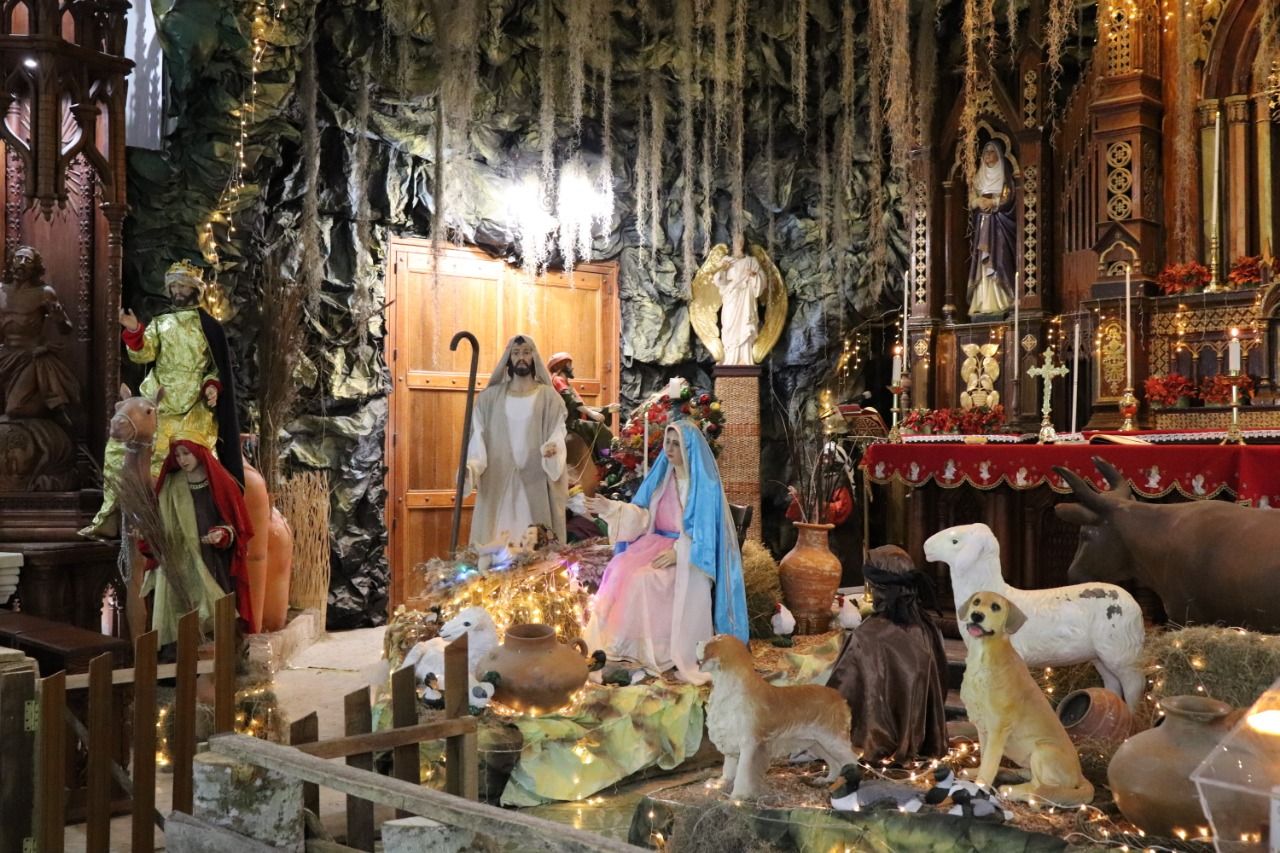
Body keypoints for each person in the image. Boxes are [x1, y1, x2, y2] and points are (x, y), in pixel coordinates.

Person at [83, 260, 244, 538]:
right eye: (174, 286)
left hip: (193, 409)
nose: (178, 291)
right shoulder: (161, 323)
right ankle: (113, 515)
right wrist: (135, 331)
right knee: (120, 447)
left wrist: (211, 386)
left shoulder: (209, 327)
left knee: (195, 456)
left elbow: (215, 368)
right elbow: (143, 354)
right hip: (157, 406)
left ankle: (202, 522)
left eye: (183, 286)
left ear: (196, 290)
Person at [583, 421, 749, 683]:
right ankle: (622, 650)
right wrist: (611, 508)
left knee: (645, 579)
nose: (669, 449)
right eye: (667, 443)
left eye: (676, 444)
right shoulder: (663, 478)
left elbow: (705, 532)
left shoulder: (703, 486)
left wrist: (679, 552)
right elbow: (643, 517)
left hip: (690, 556)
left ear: (689, 448)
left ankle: (655, 651)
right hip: (654, 545)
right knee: (619, 568)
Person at [825, 545, 948, 764]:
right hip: (923, 743)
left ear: (877, 586)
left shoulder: (867, 637)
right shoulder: (927, 628)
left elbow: (839, 695)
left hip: (871, 743)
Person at [142, 439, 254, 646]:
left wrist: (221, 533)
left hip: (210, 558)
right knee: (178, 606)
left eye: (186, 453)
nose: (182, 460)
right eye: (177, 455)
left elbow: (232, 521)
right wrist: (149, 533)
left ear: (199, 452)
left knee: (218, 607)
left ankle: (225, 654)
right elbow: (159, 518)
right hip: (179, 557)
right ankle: (177, 654)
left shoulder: (219, 482)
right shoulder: (171, 484)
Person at [465, 334, 569, 547]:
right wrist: (471, 468)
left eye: (526, 352)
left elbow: (557, 433)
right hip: (498, 480)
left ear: (534, 357)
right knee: (496, 544)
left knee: (534, 544)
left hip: (535, 481)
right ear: (509, 359)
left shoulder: (549, 398)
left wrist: (552, 450)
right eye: (516, 353)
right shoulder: (488, 399)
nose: (521, 357)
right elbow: (477, 440)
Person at [0, 245, 79, 420]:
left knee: (15, 409)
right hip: (5, 353)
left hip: (31, 356)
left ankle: (51, 411)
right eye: (18, 258)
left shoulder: (44, 293)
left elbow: (66, 329)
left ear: (35, 268)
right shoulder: (1, 290)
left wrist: (59, 318)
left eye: (27, 260)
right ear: (11, 262)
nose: (22, 263)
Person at [966, 139, 1018, 319]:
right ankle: (982, 302)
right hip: (982, 223)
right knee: (983, 259)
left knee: (999, 257)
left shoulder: (1004, 175)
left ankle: (1002, 300)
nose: (988, 155)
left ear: (999, 154)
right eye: (985, 152)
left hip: (999, 223)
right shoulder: (978, 177)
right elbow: (971, 200)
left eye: (991, 151)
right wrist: (978, 201)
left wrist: (994, 202)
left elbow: (1009, 197)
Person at [546, 351, 615, 455]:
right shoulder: (557, 380)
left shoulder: (565, 383)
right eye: (569, 365)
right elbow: (572, 401)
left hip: (573, 421)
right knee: (600, 429)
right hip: (568, 424)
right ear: (561, 366)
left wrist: (607, 409)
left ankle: (604, 456)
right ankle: (607, 457)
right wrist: (592, 414)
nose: (572, 367)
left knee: (597, 425)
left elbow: (581, 407)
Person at [713, 252, 766, 364]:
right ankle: (729, 359)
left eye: (741, 242)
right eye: (736, 242)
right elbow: (718, 281)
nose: (739, 244)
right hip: (731, 298)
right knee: (729, 324)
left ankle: (746, 359)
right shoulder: (726, 260)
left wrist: (754, 275)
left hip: (746, 298)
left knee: (745, 325)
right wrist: (723, 270)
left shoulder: (752, 261)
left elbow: (763, 281)